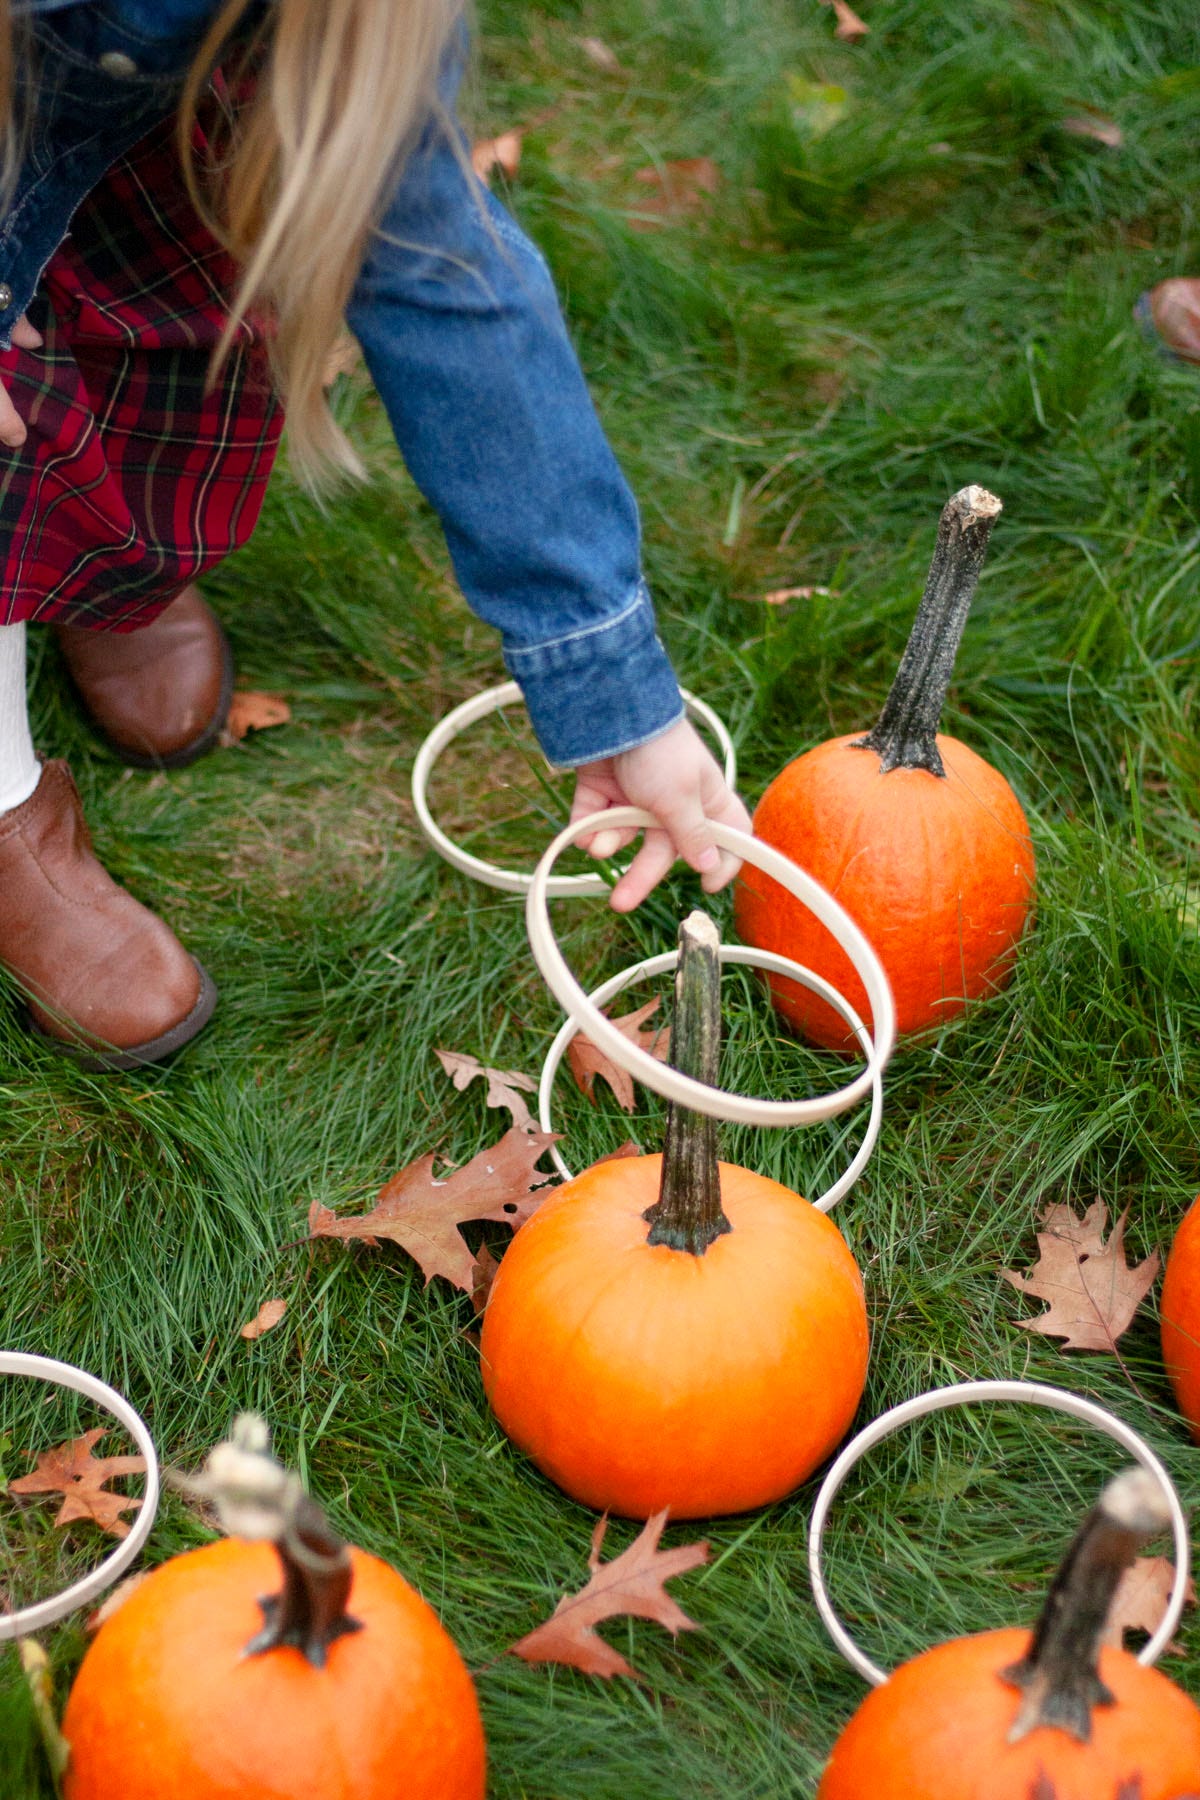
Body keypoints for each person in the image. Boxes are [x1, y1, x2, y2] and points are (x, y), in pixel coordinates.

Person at [0, 0, 750, 1071]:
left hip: (134, 114)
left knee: (168, 302)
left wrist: (618, 699)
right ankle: (6, 804)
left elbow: (443, 271)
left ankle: (96, 560)